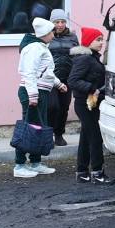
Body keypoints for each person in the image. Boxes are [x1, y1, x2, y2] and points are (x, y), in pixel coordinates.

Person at [68, 27, 115, 185]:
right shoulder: (85, 59)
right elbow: (73, 80)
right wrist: (92, 89)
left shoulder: (92, 58)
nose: (101, 43)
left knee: (85, 138)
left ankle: (82, 172)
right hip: (86, 104)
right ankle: (98, 173)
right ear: (88, 42)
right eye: (98, 40)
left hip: (90, 103)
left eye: (102, 39)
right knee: (95, 137)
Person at [14, 18, 60, 178]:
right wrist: (33, 95)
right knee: (29, 128)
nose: (54, 35)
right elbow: (29, 72)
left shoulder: (40, 47)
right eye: (52, 32)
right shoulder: (34, 48)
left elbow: (45, 72)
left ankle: (35, 163)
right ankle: (19, 166)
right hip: (33, 93)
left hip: (40, 92)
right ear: (45, 34)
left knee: (38, 128)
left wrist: (58, 84)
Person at [47, 9, 78, 147]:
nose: (60, 24)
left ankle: (59, 134)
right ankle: (48, 135)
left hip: (67, 77)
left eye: (63, 22)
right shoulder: (47, 36)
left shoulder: (72, 37)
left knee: (64, 107)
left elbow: (77, 55)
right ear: (51, 22)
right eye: (57, 22)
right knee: (52, 107)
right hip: (50, 78)